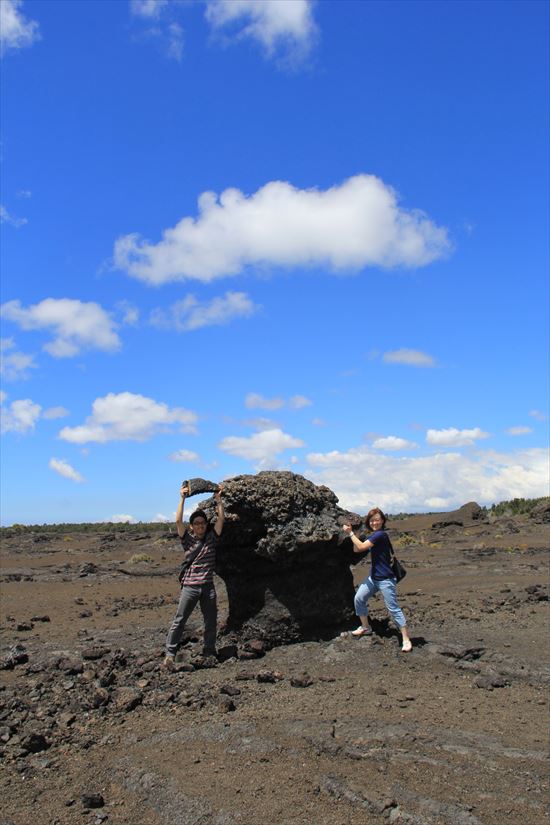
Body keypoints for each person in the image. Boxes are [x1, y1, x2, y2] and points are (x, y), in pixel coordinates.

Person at [163, 482, 225, 670]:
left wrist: (218, 500)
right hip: (190, 587)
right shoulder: (188, 541)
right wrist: (182, 498)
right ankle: (170, 654)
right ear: (192, 526)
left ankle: (209, 650)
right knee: (179, 620)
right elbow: (178, 521)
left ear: (206, 525)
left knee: (211, 620)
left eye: (202, 523)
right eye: (196, 523)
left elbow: (221, 520)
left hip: (207, 587)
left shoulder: (212, 539)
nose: (199, 526)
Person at [342, 507, 412, 652]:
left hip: (386, 579)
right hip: (374, 577)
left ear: (382, 521)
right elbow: (357, 549)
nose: (375, 522)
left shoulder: (380, 535)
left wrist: (350, 533)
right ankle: (366, 627)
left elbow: (360, 547)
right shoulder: (374, 536)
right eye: (372, 520)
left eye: (377, 520)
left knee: (393, 608)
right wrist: (356, 538)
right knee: (359, 598)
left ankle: (406, 639)